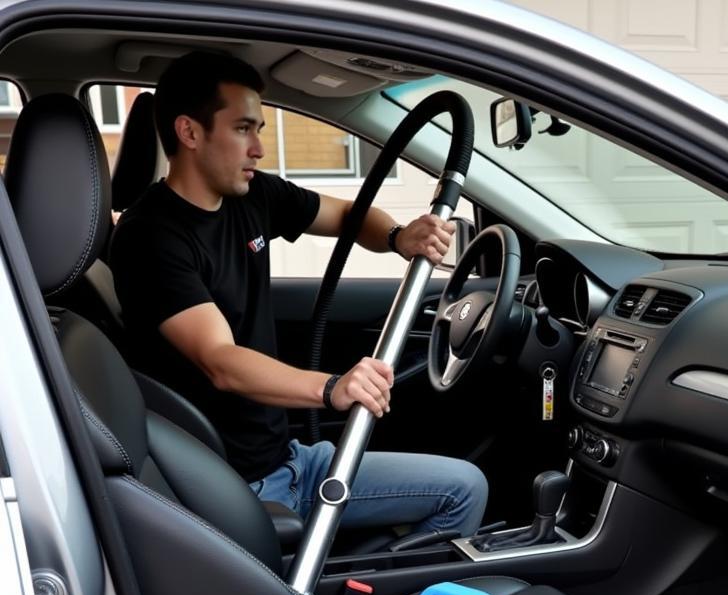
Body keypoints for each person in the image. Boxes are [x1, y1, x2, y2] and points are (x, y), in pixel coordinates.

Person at [110, 51, 487, 537]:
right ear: (190, 132)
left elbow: (350, 215)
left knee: (465, 486)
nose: (259, 149)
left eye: (259, 129)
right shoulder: (152, 237)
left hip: (290, 459)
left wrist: (399, 237)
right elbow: (221, 361)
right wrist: (332, 387)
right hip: (241, 488)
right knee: (461, 493)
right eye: (244, 129)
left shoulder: (252, 196)